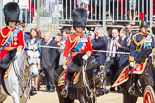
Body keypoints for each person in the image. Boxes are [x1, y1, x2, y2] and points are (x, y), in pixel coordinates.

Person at [61, 8, 92, 98]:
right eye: (78, 27)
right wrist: (64, 62)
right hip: (74, 58)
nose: (79, 28)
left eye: (81, 27)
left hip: (85, 57)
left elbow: (90, 49)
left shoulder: (86, 37)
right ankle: (65, 88)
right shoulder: (70, 37)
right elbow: (66, 51)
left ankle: (95, 87)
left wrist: (87, 55)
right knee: (68, 71)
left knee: (94, 67)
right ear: (75, 27)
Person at [0, 2, 24, 86]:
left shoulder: (19, 31)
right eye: (11, 21)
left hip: (15, 53)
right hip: (4, 53)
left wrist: (18, 51)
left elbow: (21, 44)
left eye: (14, 22)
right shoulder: (2, 31)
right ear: (8, 21)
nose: (13, 23)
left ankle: (27, 86)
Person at [128, 19, 155, 94]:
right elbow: (132, 49)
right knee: (136, 69)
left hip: (149, 57)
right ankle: (132, 86)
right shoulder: (136, 37)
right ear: (140, 28)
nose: (146, 29)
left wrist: (152, 52)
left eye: (147, 27)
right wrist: (131, 61)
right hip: (139, 58)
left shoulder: (150, 36)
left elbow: (153, 47)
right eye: (144, 27)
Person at [28, 28, 42, 95]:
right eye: (32, 32)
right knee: (29, 72)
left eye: (34, 32)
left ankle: (36, 85)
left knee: (37, 71)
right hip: (30, 58)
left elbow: (40, 49)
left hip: (36, 58)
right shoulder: (28, 40)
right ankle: (31, 86)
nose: (33, 33)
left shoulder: (38, 40)